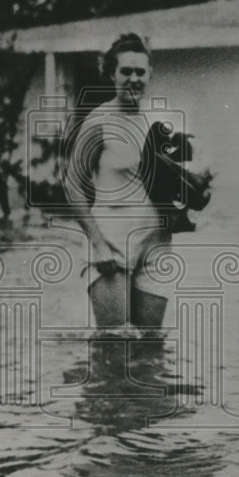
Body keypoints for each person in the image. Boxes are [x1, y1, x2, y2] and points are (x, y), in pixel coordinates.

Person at [64, 34, 171, 335]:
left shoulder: (159, 122)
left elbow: (176, 184)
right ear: (112, 74)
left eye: (140, 72)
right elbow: (73, 185)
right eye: (126, 71)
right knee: (115, 343)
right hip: (112, 243)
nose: (133, 79)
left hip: (156, 244)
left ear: (150, 74)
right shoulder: (98, 121)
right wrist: (98, 245)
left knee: (150, 343)